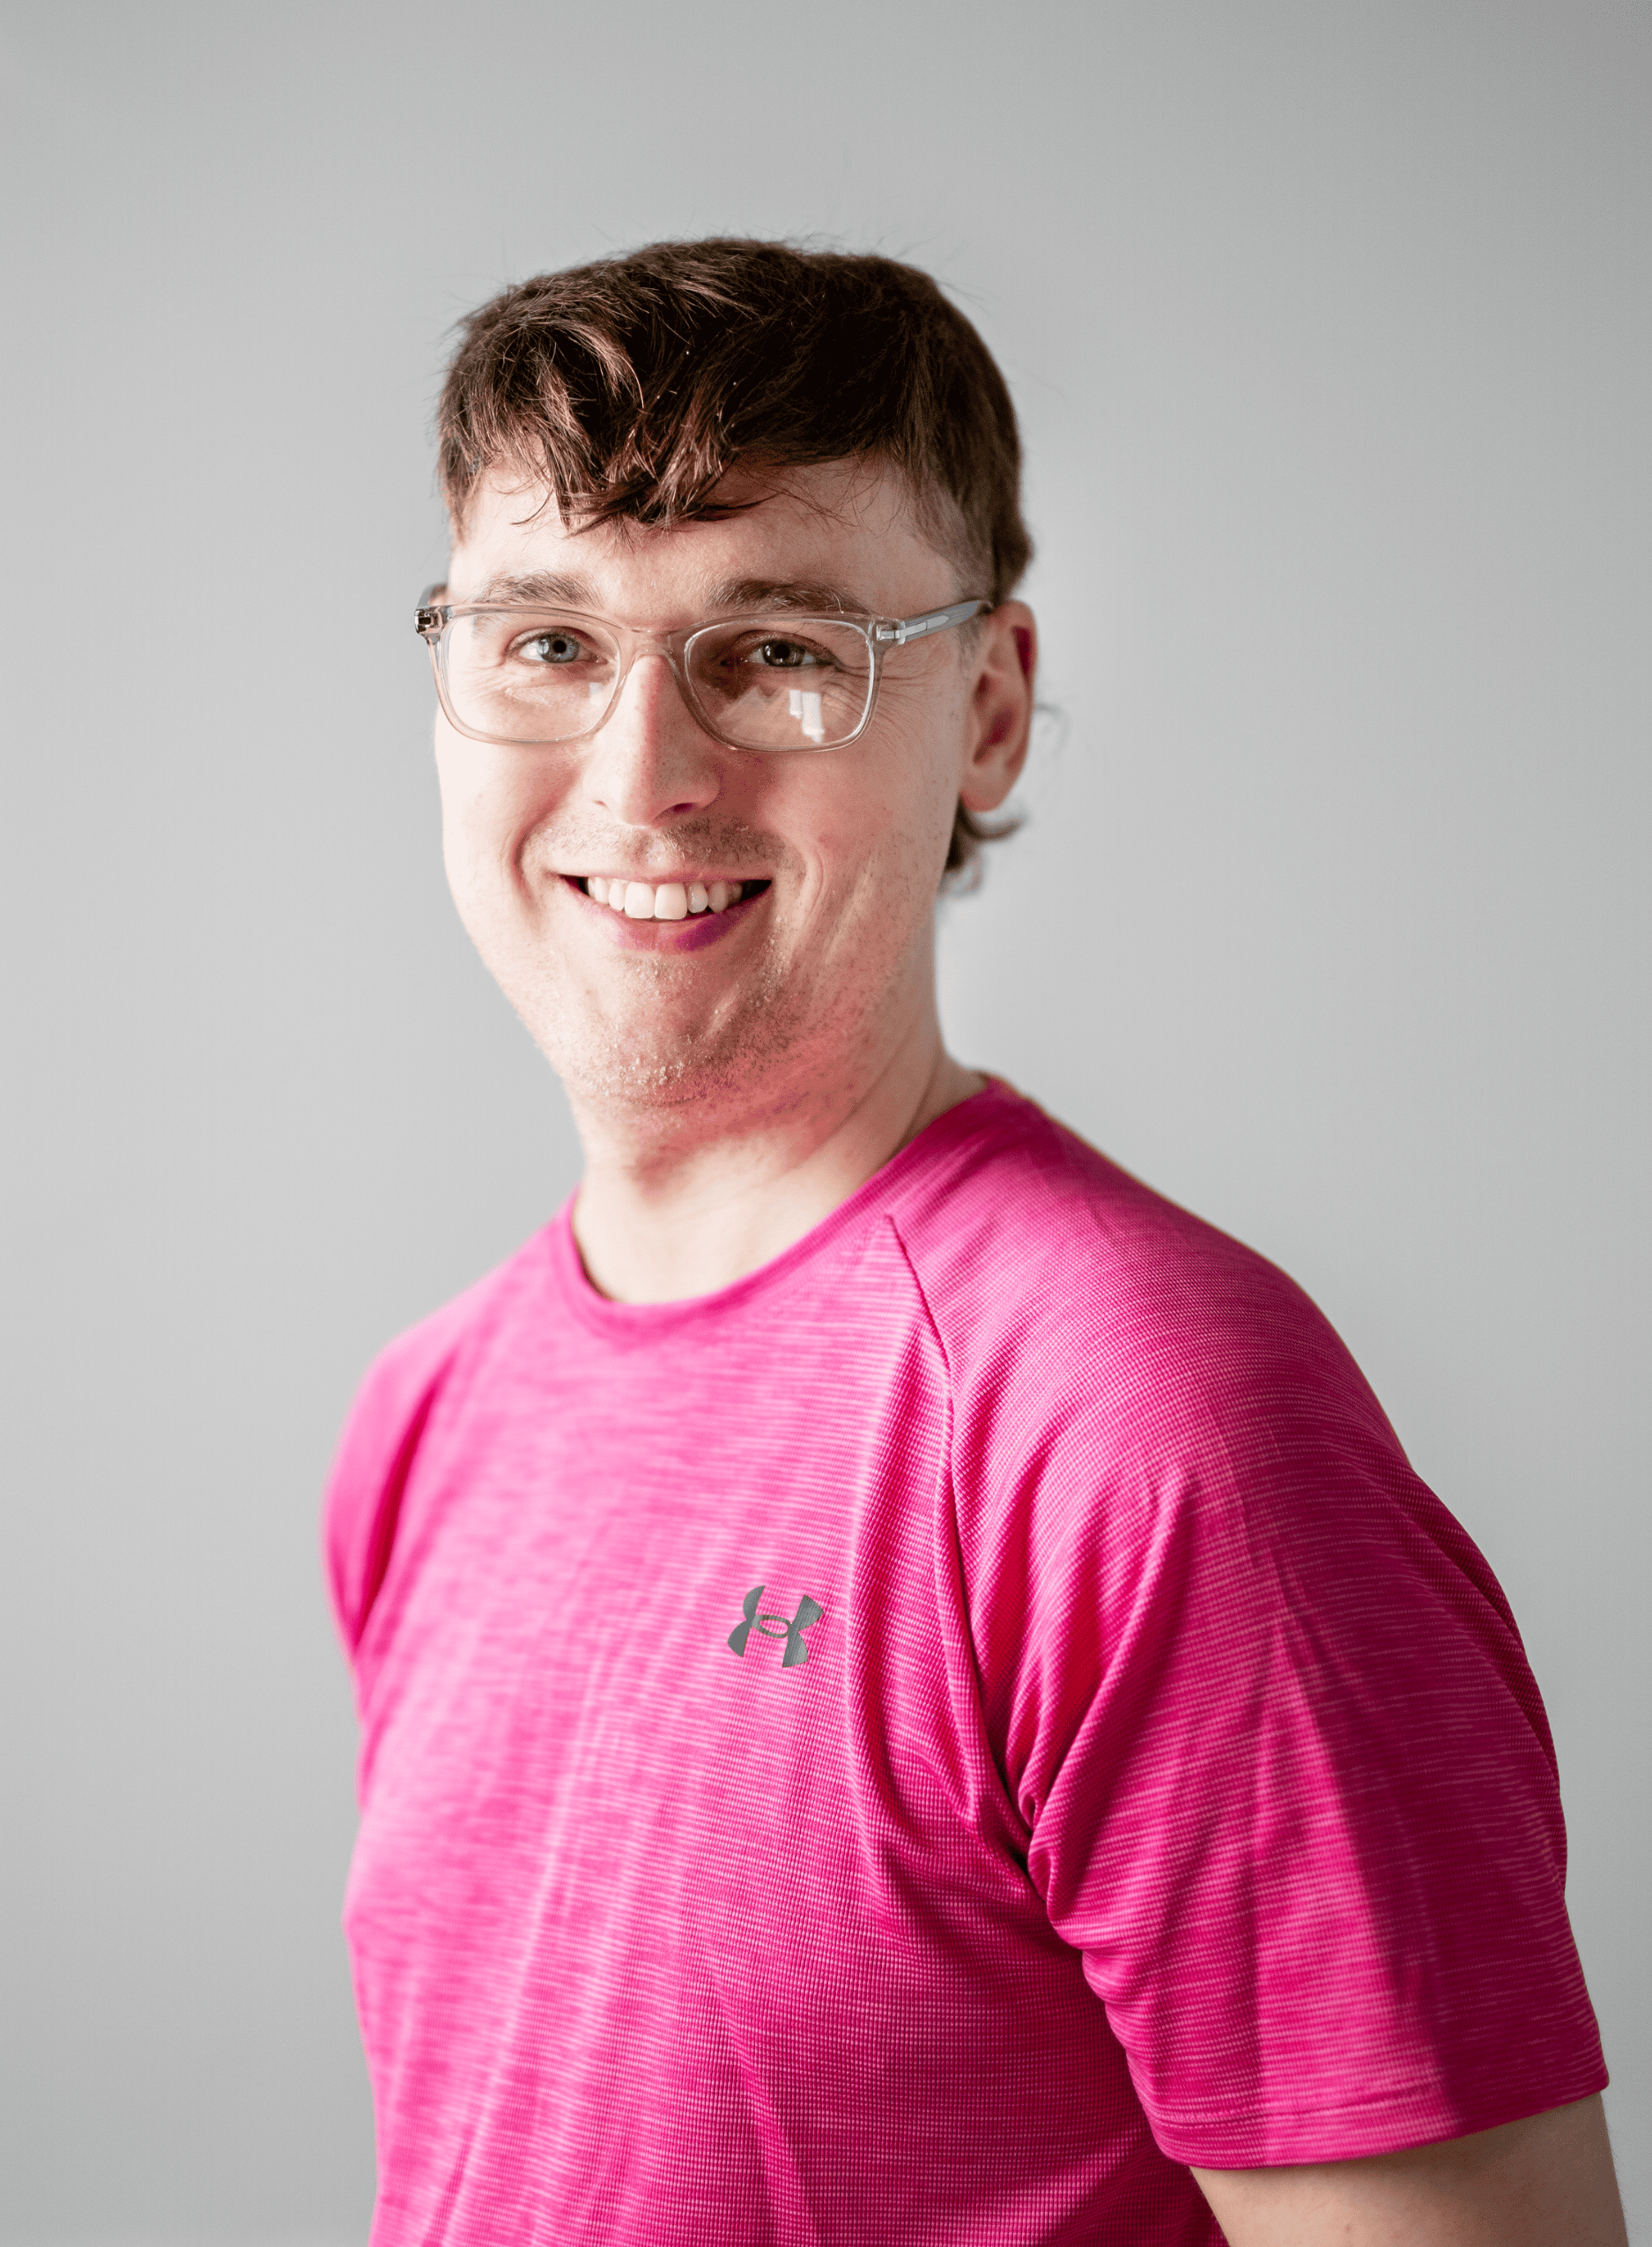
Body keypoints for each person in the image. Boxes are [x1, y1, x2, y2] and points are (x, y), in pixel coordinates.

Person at [324, 239, 1625, 2246]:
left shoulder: (1154, 1437)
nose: (645, 773)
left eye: (775, 649)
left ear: (990, 714)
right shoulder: (426, 1419)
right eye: (548, 641)